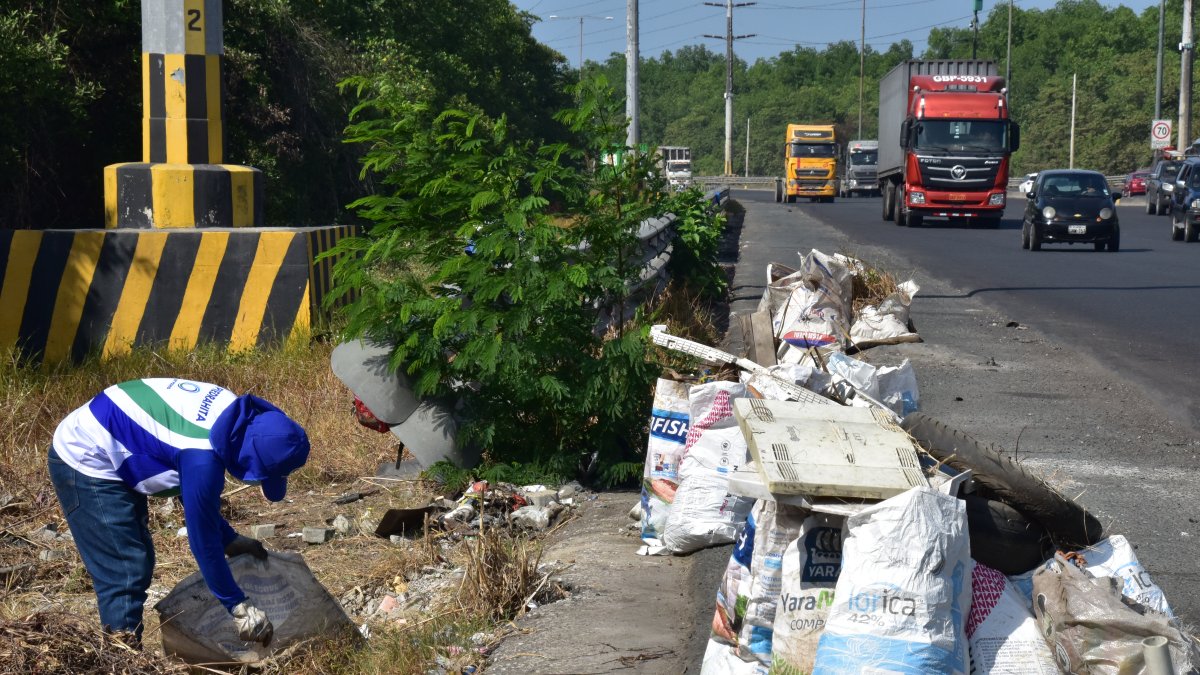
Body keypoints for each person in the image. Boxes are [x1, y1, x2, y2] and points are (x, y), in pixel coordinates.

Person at [48, 378, 311, 645]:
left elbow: (196, 496)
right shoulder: (201, 458)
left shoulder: (233, 416)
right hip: (86, 452)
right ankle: (121, 656)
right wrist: (238, 607)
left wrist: (229, 540)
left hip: (116, 429)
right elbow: (202, 540)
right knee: (126, 567)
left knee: (136, 558)